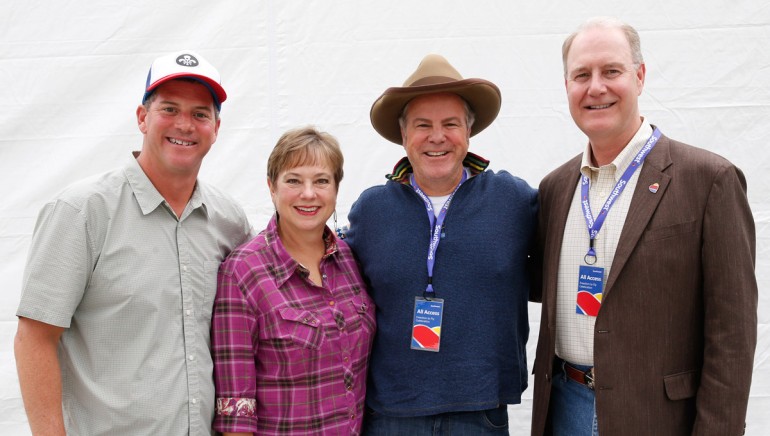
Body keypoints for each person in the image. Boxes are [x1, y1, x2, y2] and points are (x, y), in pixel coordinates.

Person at [530, 17, 758, 435]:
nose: (595, 87)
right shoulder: (554, 189)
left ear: (639, 76)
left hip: (658, 418)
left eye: (611, 71)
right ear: (567, 87)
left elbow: (733, 336)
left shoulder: (709, 181)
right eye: (582, 75)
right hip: (563, 409)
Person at [14, 50, 252, 435]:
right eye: (169, 109)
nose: (185, 125)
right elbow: (34, 338)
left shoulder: (229, 222)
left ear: (216, 128)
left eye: (200, 114)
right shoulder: (82, 211)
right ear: (142, 118)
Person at [346, 54, 538, 434]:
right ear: (404, 137)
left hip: (480, 409)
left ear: (468, 133)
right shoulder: (371, 210)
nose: (437, 136)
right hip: (390, 413)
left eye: (450, 124)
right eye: (423, 125)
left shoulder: (513, 200)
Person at [211, 126, 376, 435]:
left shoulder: (351, 260)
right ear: (272, 188)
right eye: (294, 180)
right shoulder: (243, 273)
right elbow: (237, 409)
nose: (309, 194)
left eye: (322, 181)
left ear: (336, 189)